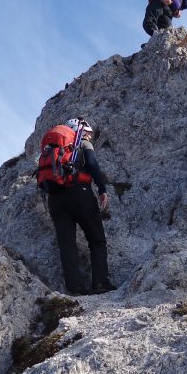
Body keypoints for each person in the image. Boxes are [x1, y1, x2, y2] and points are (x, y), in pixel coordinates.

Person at [38, 118, 116, 295]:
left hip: (55, 198)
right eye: (88, 133)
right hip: (80, 193)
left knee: (67, 244)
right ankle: (100, 283)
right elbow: (92, 165)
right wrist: (102, 188)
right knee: (97, 240)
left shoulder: (50, 149)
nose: (89, 136)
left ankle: (75, 288)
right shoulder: (81, 142)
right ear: (81, 130)